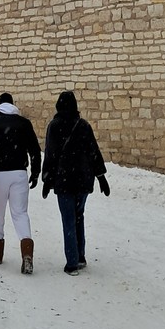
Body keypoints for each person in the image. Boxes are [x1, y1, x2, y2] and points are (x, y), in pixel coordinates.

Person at [41, 90, 109, 274]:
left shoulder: (54, 126)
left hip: (64, 180)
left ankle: (72, 263)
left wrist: (47, 180)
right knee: (79, 216)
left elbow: (50, 155)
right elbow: (93, 151)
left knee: (68, 220)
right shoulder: (83, 125)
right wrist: (101, 176)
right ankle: (80, 256)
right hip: (83, 180)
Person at [0, 92, 42, 274]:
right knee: (20, 213)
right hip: (19, 174)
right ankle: (27, 254)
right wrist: (35, 172)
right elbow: (35, 150)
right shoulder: (24, 124)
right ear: (13, 105)